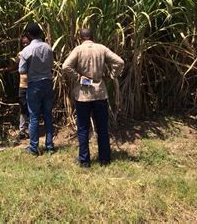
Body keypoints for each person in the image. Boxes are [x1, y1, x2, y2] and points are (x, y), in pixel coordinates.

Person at [62, 28, 124, 167]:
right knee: (102, 127)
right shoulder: (101, 48)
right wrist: (111, 76)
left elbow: (65, 66)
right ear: (92, 37)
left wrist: (78, 77)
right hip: (100, 93)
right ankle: (105, 159)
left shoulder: (78, 50)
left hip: (83, 95)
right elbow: (119, 62)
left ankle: (84, 161)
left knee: (83, 128)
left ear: (80, 38)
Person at [18, 23, 55, 156]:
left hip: (34, 84)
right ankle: (49, 145)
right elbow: (51, 64)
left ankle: (34, 147)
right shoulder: (48, 47)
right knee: (48, 115)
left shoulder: (27, 51)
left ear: (29, 35)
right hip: (48, 83)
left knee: (34, 116)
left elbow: (21, 70)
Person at [0, 34, 31, 144]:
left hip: (32, 84)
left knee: (30, 107)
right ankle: (22, 131)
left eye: (27, 43)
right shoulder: (21, 54)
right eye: (23, 43)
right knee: (23, 107)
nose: (25, 45)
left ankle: (30, 130)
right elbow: (15, 67)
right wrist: (2, 70)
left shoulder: (33, 52)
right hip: (23, 85)